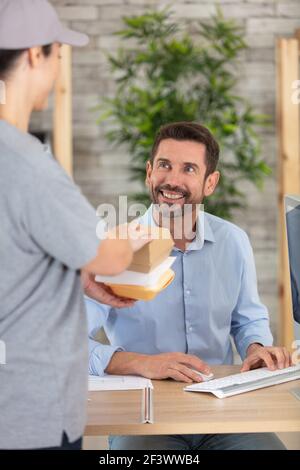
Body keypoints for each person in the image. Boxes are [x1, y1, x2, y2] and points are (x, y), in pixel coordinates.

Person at [0, 0, 151, 450]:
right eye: (58, 56)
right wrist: (136, 233)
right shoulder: (27, 162)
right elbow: (110, 253)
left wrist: (77, 279)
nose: (58, 69)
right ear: (33, 54)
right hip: (29, 409)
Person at [86, 121, 290, 450]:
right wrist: (142, 363)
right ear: (149, 172)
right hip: (145, 418)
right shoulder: (113, 248)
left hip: (224, 412)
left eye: (189, 169)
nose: (173, 181)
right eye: (165, 165)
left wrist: (256, 349)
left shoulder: (233, 242)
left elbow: (248, 321)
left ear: (210, 182)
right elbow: (72, 345)